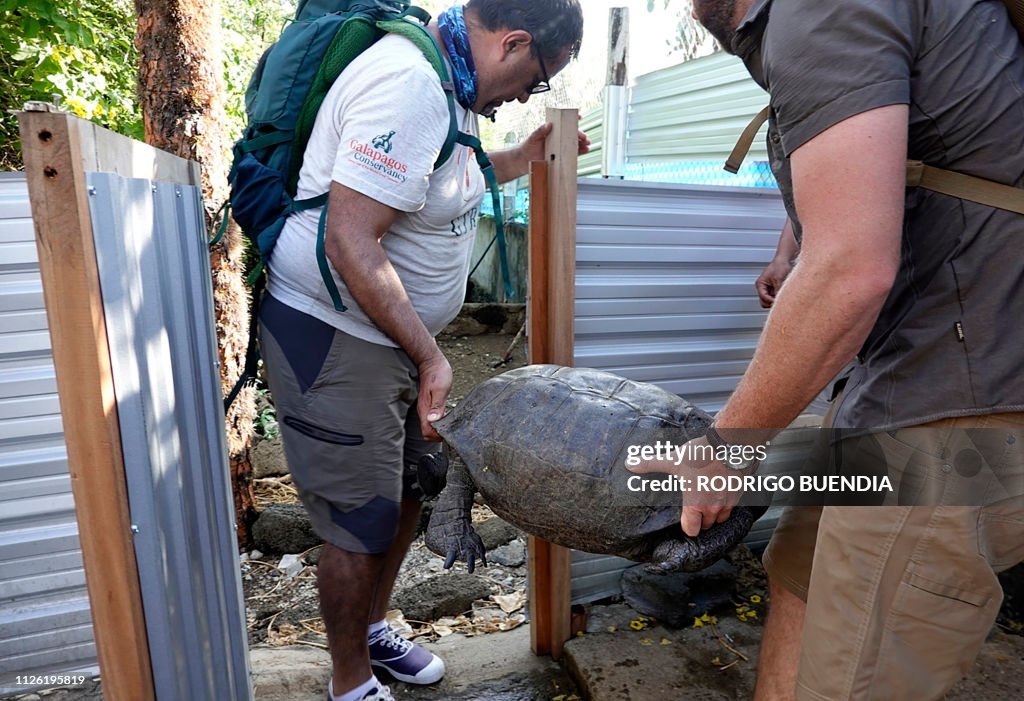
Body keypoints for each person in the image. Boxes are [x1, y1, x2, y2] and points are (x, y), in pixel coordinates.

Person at [627, 1, 1024, 699]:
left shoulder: (823, 7)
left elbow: (849, 271)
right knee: (801, 570)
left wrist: (726, 446)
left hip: (959, 396)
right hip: (908, 372)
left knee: (854, 668)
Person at [256, 1, 586, 700]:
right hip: (337, 331)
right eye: (538, 78)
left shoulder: (452, 85)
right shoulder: (410, 82)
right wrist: (433, 356)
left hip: (395, 337)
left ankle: (371, 628)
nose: (530, 94)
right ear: (514, 42)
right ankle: (349, 682)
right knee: (360, 520)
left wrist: (520, 159)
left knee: (409, 489)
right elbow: (351, 238)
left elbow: (435, 176)